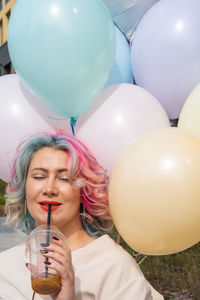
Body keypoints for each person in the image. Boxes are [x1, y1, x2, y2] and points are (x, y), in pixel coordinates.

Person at [0, 130, 164, 300]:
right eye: (39, 176)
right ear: (25, 188)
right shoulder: (4, 265)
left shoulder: (114, 267)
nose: (49, 189)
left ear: (84, 191)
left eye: (65, 178)